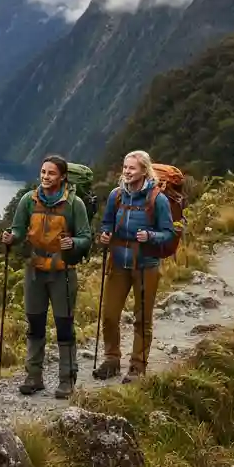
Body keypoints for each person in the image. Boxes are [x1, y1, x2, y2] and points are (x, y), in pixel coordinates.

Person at [2, 155, 91, 400]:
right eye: (43, 172)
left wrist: (73, 242)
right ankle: (33, 377)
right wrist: (11, 237)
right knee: (35, 323)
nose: (45, 176)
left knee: (64, 325)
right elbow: (19, 229)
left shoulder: (74, 204)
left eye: (51, 173)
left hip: (62, 271)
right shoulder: (28, 201)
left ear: (62, 177)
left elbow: (86, 237)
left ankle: (67, 379)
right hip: (35, 270)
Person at [94, 150, 175, 384]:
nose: (127, 172)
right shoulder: (117, 195)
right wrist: (106, 234)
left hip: (146, 265)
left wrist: (150, 236)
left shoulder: (157, 199)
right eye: (125, 167)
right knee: (110, 315)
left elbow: (168, 233)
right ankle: (112, 360)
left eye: (132, 168)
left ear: (144, 171)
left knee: (142, 318)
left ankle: (138, 365)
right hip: (119, 263)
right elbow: (107, 222)